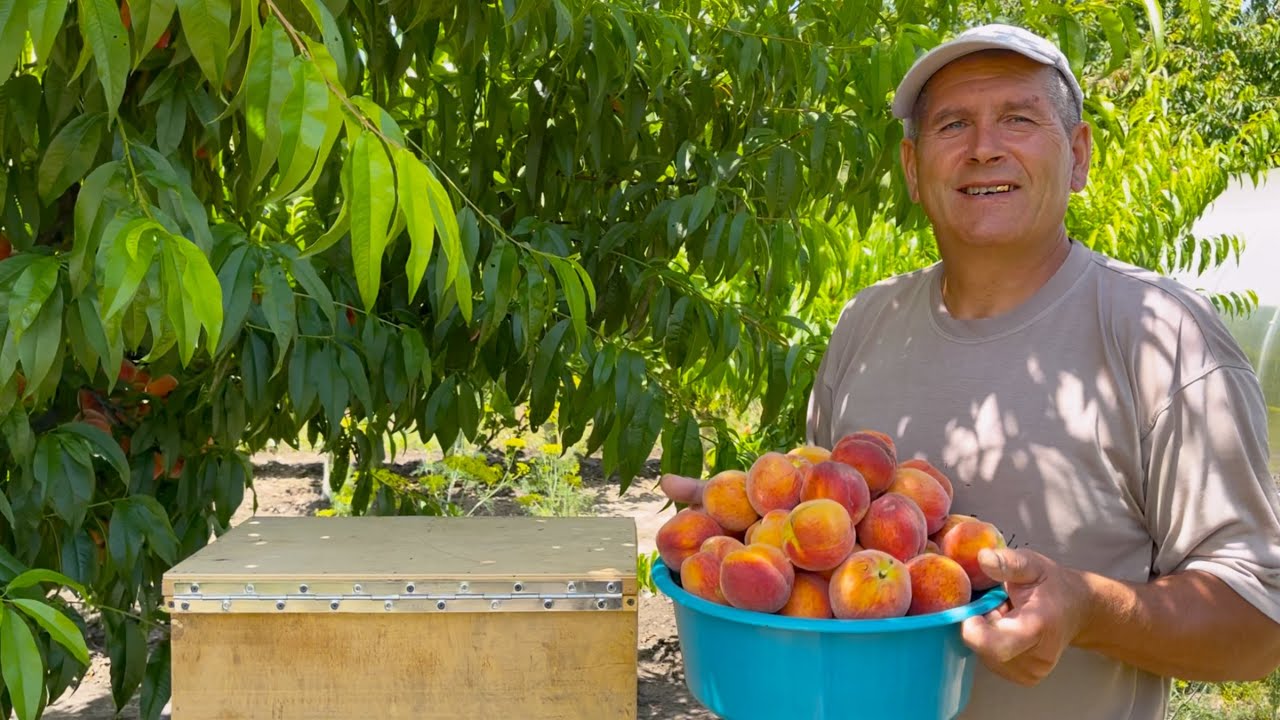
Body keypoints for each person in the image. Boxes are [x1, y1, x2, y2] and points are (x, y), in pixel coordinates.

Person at [660, 23, 1280, 719]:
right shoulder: (867, 321)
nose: (984, 147)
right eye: (953, 124)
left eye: (1019, 118)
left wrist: (1089, 610)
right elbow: (826, 549)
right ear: (912, 168)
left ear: (1078, 156)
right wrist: (739, 523)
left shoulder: (1162, 336)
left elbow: (1260, 623)